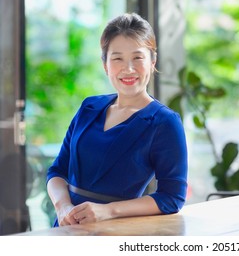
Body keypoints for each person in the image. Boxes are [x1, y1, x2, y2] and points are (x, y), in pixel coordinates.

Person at [46, 13, 188, 226]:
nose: (128, 69)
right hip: (65, 227)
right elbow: (57, 171)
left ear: (152, 61)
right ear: (105, 65)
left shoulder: (164, 122)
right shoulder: (89, 107)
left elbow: (172, 197)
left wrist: (107, 211)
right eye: (117, 58)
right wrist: (63, 207)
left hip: (115, 230)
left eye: (138, 58)